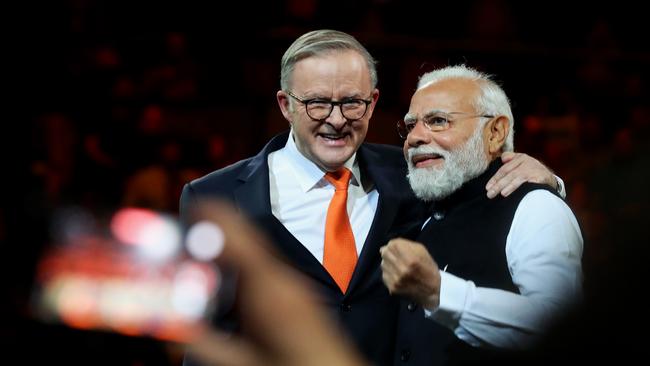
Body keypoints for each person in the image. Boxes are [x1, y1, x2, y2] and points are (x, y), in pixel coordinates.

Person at [180, 30, 561, 366]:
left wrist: (548, 182)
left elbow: (478, 181)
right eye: (317, 102)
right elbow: (204, 333)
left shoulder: (411, 173)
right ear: (286, 105)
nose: (336, 119)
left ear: (373, 102)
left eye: (351, 102)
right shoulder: (216, 196)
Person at [380, 65, 583, 365]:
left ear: (495, 132)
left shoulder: (534, 206)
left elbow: (561, 327)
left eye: (438, 121)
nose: (415, 138)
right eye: (410, 126)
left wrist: (440, 292)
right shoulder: (419, 206)